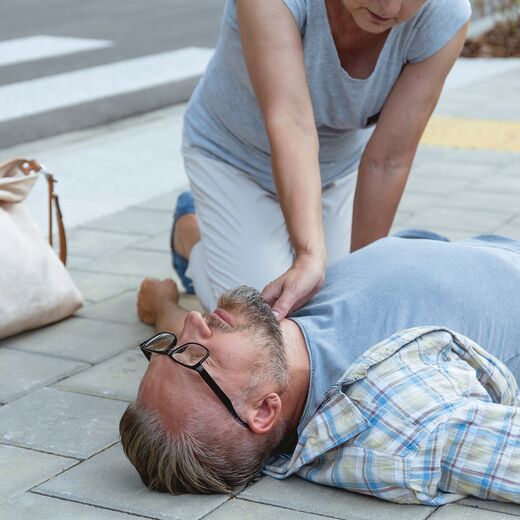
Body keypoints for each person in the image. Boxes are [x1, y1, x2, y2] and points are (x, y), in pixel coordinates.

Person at [120, 231, 520, 504]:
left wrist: (164, 309)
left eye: (168, 348)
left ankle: (187, 232)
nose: (193, 323)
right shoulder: (397, 426)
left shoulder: (265, 337)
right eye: (193, 356)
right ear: (263, 409)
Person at [175, 0, 471, 319]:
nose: (388, 6)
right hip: (231, 157)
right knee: (258, 315)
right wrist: (309, 255)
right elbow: (293, 122)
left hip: (334, 169)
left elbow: (387, 159)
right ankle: (188, 231)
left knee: (325, 305)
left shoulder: (446, 14)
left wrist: (365, 276)